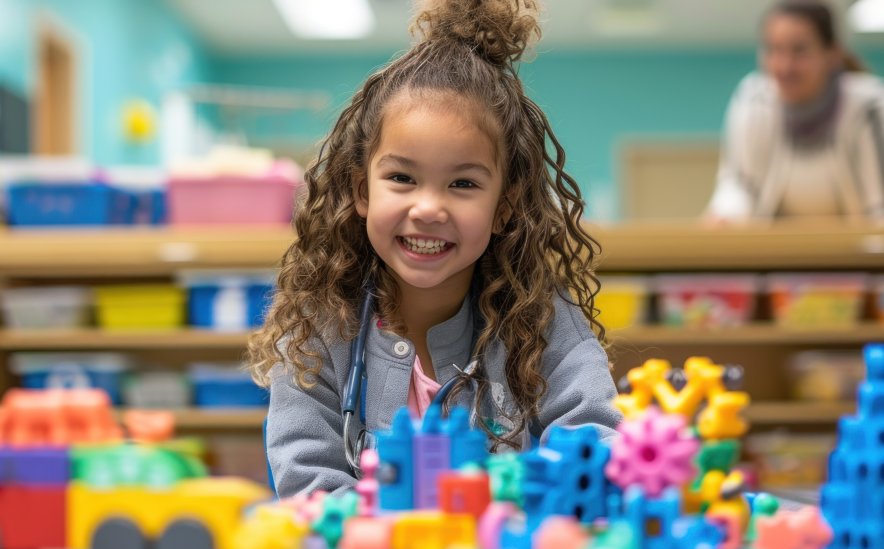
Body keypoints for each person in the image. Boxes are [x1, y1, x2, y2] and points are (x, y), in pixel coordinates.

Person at [249, 0, 621, 498]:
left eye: (463, 184)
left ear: (504, 207)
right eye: (402, 178)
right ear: (362, 191)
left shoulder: (544, 321)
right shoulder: (319, 328)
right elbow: (308, 483)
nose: (428, 208)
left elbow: (593, 445)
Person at [707, 0, 884, 223]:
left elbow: (879, 207)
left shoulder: (869, 107)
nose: (785, 66)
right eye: (774, 50)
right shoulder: (753, 101)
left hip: (855, 253)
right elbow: (739, 186)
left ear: (832, 54)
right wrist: (724, 216)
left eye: (799, 51)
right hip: (777, 252)